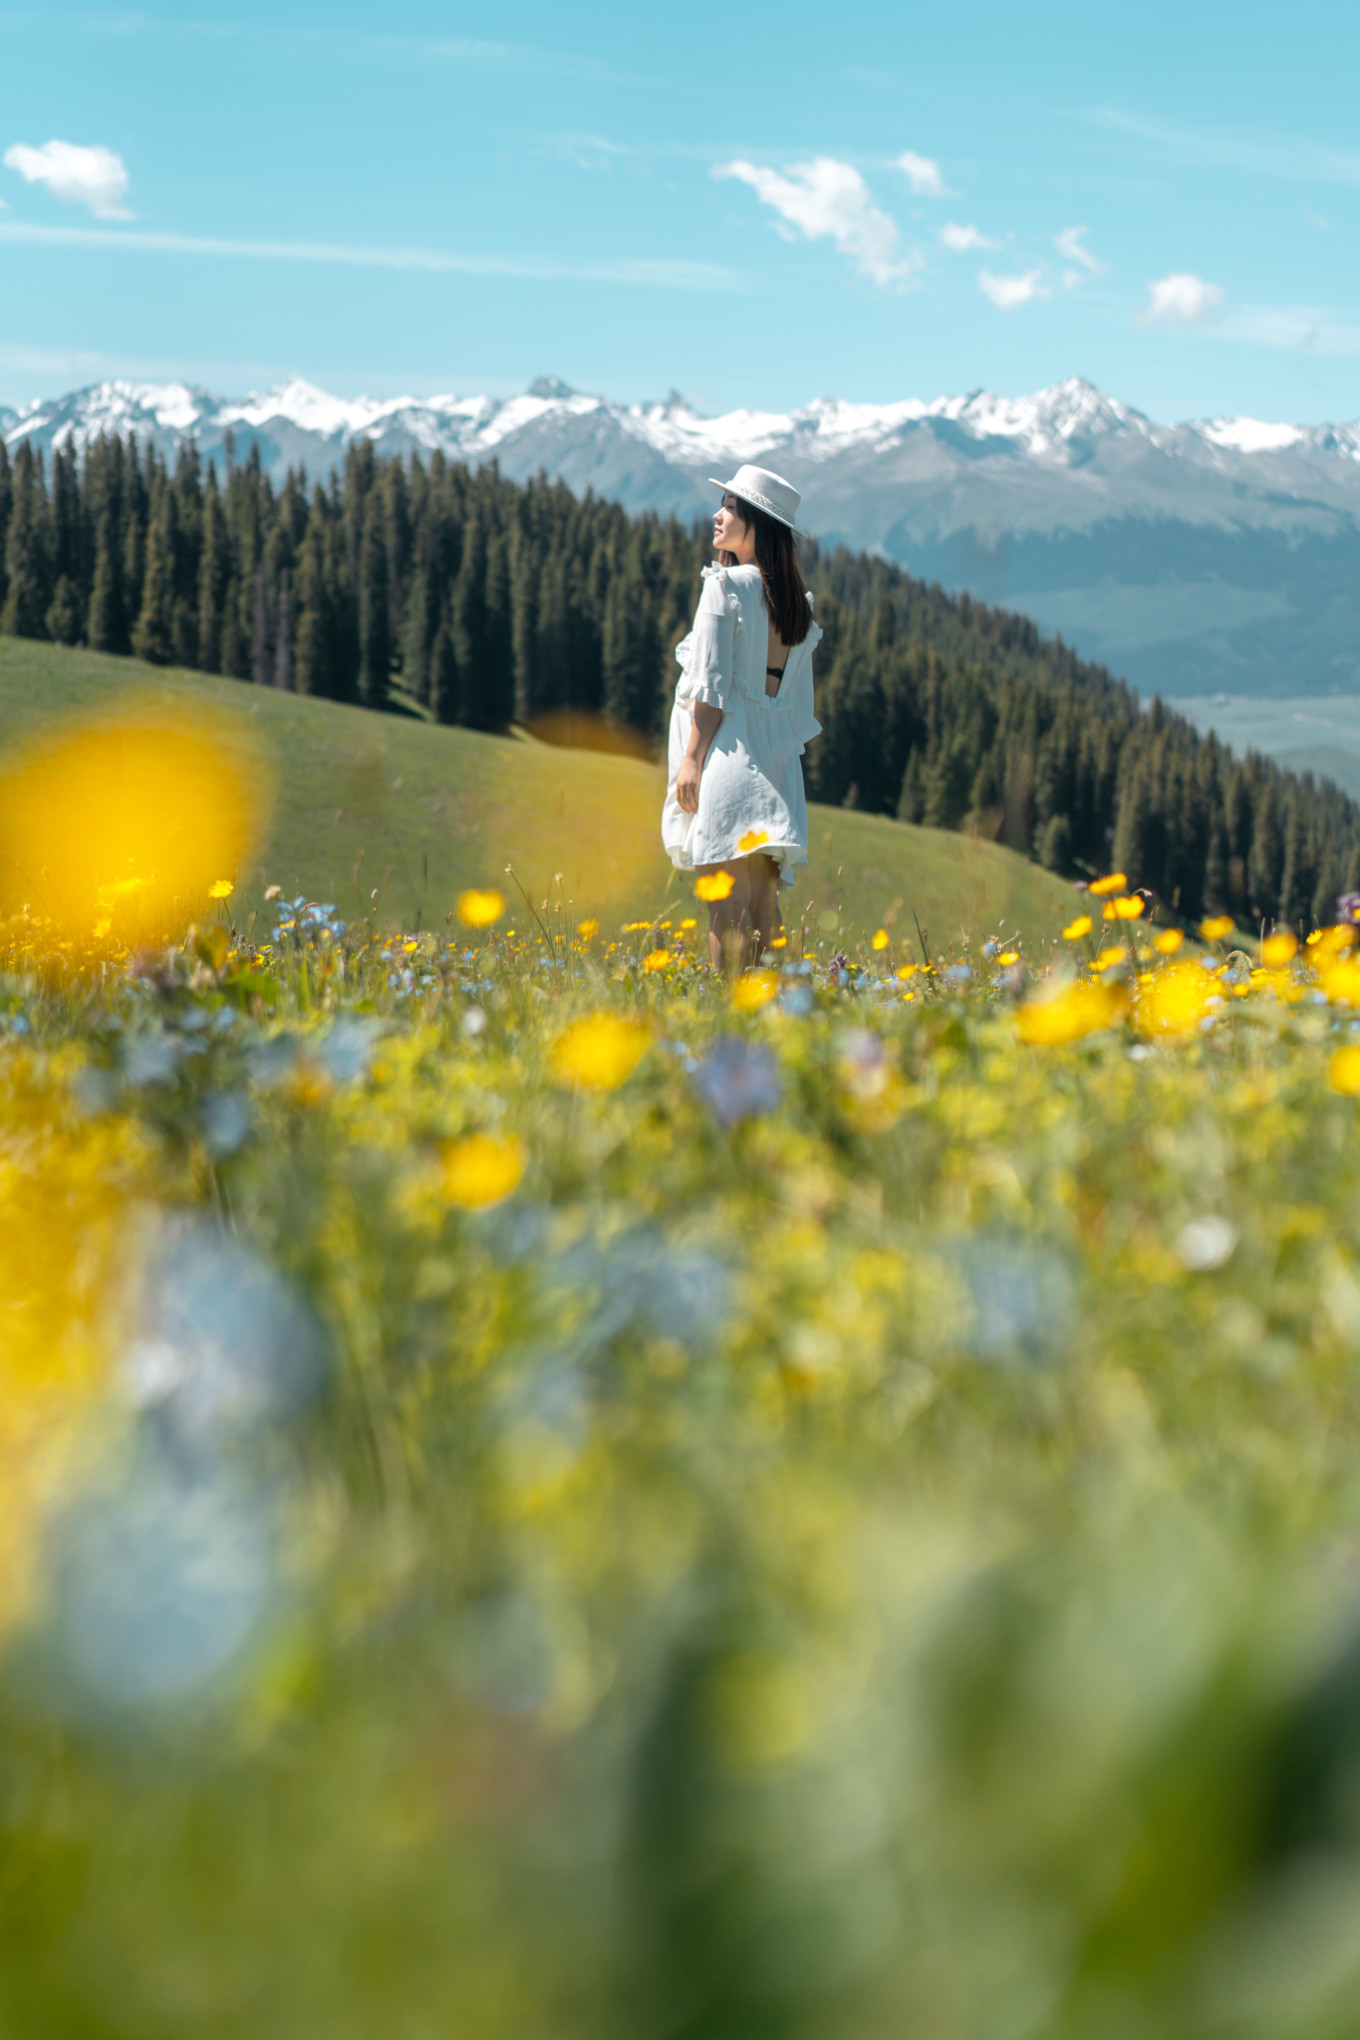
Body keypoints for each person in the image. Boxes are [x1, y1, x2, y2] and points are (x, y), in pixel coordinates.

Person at [661, 463, 822, 969]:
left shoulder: (724, 586)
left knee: (725, 908)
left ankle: (730, 1008)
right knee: (764, 908)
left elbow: (709, 687)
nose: (718, 515)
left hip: (729, 760)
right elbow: (797, 710)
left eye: (730, 508)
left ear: (758, 524)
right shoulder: (797, 607)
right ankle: (774, 1005)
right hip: (776, 765)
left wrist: (692, 760)